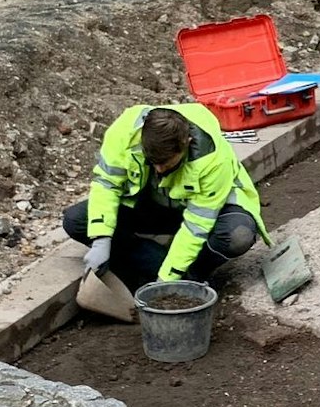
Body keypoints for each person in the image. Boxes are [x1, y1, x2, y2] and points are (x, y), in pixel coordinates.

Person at [64, 104, 267, 291]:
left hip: (208, 212)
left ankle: (190, 276)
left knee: (237, 236)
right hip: (154, 206)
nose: (159, 169)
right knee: (77, 220)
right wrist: (101, 239)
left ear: (186, 143)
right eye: (153, 162)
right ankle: (161, 265)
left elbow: (197, 225)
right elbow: (106, 186)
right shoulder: (124, 133)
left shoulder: (213, 159)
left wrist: (167, 279)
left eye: (167, 163)